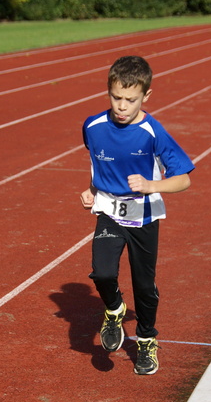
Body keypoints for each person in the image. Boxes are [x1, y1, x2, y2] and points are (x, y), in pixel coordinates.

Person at [80, 55, 194, 375]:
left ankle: (146, 339)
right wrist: (92, 189)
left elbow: (183, 179)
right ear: (108, 92)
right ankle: (115, 309)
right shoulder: (93, 126)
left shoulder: (152, 132)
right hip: (109, 212)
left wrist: (150, 184)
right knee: (102, 273)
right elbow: (99, 163)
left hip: (144, 216)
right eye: (116, 97)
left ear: (146, 96)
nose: (122, 106)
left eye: (130, 100)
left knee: (144, 286)